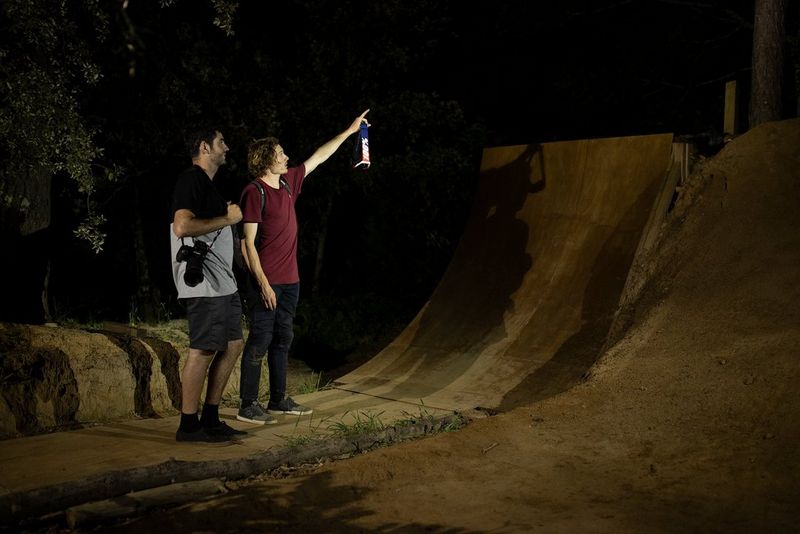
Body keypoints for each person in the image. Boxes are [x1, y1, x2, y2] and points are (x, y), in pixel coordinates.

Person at [236, 110, 370, 424]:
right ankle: (247, 404)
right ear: (267, 160)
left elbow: (320, 156)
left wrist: (350, 131)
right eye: (281, 154)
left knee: (284, 339)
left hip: (291, 281)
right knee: (260, 339)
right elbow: (247, 244)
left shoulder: (287, 184)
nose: (287, 157)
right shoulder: (254, 192)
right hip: (266, 282)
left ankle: (278, 399)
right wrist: (263, 283)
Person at [169, 125, 247, 442]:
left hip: (223, 284)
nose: (227, 147)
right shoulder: (191, 179)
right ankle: (188, 425)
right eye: (221, 141)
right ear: (204, 146)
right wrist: (228, 219)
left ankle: (211, 418)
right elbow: (182, 227)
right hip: (204, 284)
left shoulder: (208, 185)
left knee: (233, 345)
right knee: (202, 350)